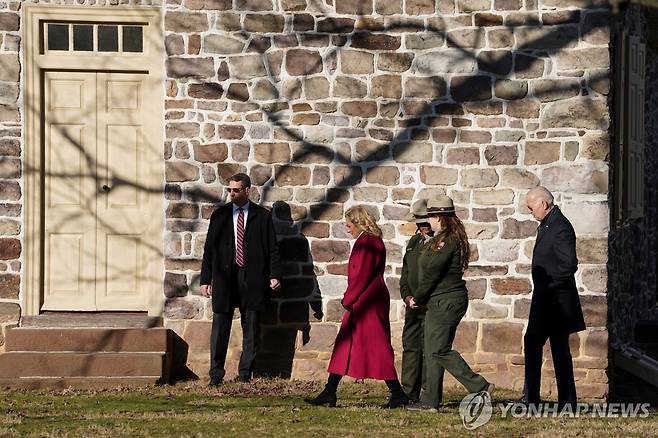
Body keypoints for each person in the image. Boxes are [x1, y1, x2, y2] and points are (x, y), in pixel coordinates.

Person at [305, 206, 408, 408]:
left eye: (349, 224)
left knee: (377, 346)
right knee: (346, 344)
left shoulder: (367, 242)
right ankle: (330, 391)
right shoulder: (368, 241)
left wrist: (348, 300)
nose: (347, 227)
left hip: (367, 301)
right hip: (366, 299)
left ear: (359, 222)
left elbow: (362, 275)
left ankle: (397, 393)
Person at [406, 194, 493, 412]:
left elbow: (433, 273)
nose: (429, 220)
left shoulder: (446, 241)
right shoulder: (444, 238)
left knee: (438, 350)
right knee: (433, 349)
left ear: (440, 217)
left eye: (432, 216)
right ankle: (430, 401)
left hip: (445, 301)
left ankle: (478, 384)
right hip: (441, 300)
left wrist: (418, 297)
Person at [199, 173, 282, 386]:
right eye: (229, 190)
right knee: (220, 325)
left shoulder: (261, 216)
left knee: (251, 326)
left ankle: (245, 373)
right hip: (225, 276)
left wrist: (274, 275)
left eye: (235, 190)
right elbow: (209, 250)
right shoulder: (220, 216)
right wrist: (206, 279)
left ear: (247, 191)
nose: (231, 194)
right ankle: (216, 375)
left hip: (252, 277)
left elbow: (273, 248)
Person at [523, 186, 585, 407]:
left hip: (555, 302)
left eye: (531, 208)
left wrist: (549, 286)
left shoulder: (560, 227)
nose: (530, 212)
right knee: (538, 345)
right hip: (546, 300)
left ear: (543, 204)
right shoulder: (548, 224)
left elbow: (569, 265)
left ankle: (557, 401)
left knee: (554, 350)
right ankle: (534, 398)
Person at [400, 199, 434, 402]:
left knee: (430, 349)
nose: (424, 227)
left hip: (430, 303)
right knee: (411, 346)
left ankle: (427, 391)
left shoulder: (441, 242)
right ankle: (408, 391)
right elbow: (406, 273)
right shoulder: (413, 242)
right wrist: (407, 296)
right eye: (420, 223)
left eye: (426, 222)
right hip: (412, 304)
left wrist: (421, 297)